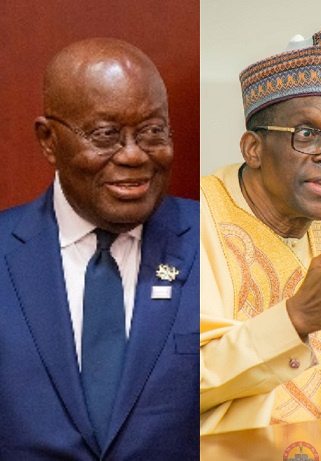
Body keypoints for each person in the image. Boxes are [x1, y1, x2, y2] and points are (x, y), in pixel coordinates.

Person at [0, 38, 199, 459]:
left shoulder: (213, 239)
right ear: (49, 140)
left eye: (152, 132)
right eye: (106, 135)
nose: (133, 155)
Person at [200, 29, 321, 435]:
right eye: (307, 135)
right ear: (253, 148)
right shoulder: (196, 216)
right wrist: (296, 319)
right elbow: (179, 378)